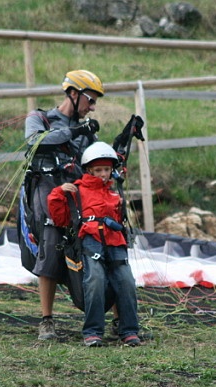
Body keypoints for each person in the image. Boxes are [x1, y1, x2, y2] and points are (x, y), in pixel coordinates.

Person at [23, 70, 104, 340]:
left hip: (78, 191)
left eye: (94, 102)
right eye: (90, 100)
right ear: (73, 93)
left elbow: (96, 163)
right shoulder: (39, 118)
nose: (92, 107)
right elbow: (35, 143)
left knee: (101, 237)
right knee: (51, 239)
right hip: (46, 189)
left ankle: (117, 319)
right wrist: (74, 131)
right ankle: (46, 320)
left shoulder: (87, 132)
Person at [47, 142, 141, 347]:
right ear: (89, 170)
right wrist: (59, 193)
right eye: (98, 170)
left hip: (115, 242)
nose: (103, 174)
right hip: (90, 242)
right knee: (95, 280)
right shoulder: (77, 191)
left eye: (106, 169)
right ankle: (93, 332)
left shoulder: (114, 193)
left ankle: (129, 330)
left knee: (126, 281)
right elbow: (60, 219)